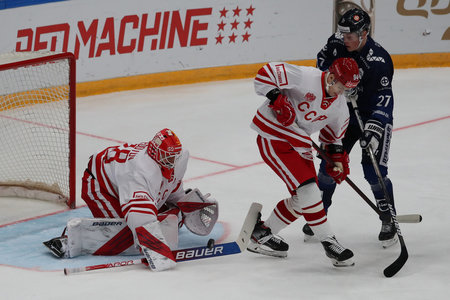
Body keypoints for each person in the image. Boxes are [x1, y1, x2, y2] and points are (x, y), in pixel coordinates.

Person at [43, 128, 219, 271]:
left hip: (124, 179)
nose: (172, 161)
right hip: (100, 185)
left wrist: (182, 203)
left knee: (162, 218)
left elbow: (171, 184)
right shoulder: (140, 170)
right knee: (127, 229)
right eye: (168, 157)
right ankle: (68, 239)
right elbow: (138, 216)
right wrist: (157, 250)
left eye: (174, 156)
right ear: (155, 154)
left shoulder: (177, 158)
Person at [247, 57, 360, 267]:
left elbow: (333, 140)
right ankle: (329, 241)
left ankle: (261, 233)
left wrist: (337, 161)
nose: (341, 92)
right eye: (341, 86)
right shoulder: (306, 77)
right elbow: (266, 73)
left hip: (298, 144)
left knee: (304, 199)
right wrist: (276, 99)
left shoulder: (339, 108)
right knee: (309, 192)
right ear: (332, 76)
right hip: (274, 135)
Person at [302, 8, 398, 248]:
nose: (345, 40)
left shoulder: (379, 60)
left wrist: (375, 129)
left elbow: (384, 98)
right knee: (329, 164)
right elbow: (321, 60)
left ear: (364, 33)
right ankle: (319, 216)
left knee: (372, 170)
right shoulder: (337, 43)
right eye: (343, 34)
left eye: (350, 36)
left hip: (372, 118)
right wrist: (334, 77)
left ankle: (389, 218)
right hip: (341, 114)